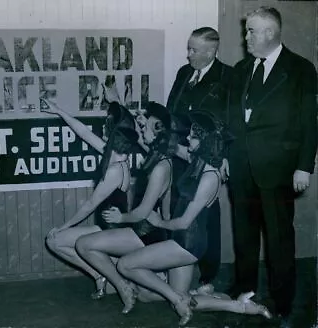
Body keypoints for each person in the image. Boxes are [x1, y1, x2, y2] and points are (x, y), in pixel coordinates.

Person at [117, 110, 272, 327]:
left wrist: (158, 221)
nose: (188, 138)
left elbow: (184, 222)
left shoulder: (209, 176)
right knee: (151, 295)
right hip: (184, 241)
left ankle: (177, 299)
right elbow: (165, 144)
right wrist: (142, 124)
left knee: (125, 265)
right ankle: (240, 306)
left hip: (187, 244)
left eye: (192, 136)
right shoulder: (196, 159)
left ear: (205, 141)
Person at [226, 7, 317, 328]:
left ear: (269, 33)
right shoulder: (241, 70)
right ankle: (245, 290)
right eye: (246, 30)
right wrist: (227, 156)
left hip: (278, 169)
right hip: (242, 169)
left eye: (251, 31)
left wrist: (304, 167)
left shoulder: (301, 70)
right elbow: (233, 120)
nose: (245, 37)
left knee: (279, 239)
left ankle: (283, 303)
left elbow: (309, 123)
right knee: (245, 235)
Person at [75, 101, 176, 314]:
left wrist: (120, 218)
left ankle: (127, 289)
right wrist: (118, 102)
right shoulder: (157, 156)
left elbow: (142, 212)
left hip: (145, 232)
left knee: (84, 245)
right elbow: (133, 135)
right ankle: (171, 287)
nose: (140, 131)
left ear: (157, 129)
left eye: (144, 127)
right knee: (148, 297)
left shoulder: (160, 167)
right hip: (147, 230)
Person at [41, 94, 140, 300]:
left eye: (106, 123)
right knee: (55, 242)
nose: (102, 126)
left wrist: (64, 226)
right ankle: (99, 276)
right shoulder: (114, 154)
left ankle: (112, 274)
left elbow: (90, 205)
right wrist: (58, 110)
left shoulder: (115, 168)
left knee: (56, 238)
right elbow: (84, 132)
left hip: (113, 233)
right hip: (105, 229)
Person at [166, 26, 233, 293]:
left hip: (208, 159)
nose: (188, 54)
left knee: (206, 217)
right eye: (188, 48)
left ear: (210, 51)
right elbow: (172, 113)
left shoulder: (228, 77)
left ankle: (207, 277)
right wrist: (176, 147)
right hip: (181, 155)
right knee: (178, 210)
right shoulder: (184, 74)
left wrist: (223, 156)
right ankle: (179, 269)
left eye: (193, 50)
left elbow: (231, 121)